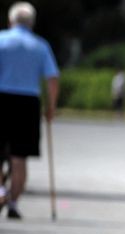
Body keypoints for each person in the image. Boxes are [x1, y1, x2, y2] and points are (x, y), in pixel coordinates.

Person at [0, 1, 59, 220]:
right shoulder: (40, 45)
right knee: (19, 158)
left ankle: (0, 191)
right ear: (32, 23)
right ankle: (13, 202)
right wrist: (50, 107)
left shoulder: (1, 41)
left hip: (2, 97)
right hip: (27, 102)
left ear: (10, 20)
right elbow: (52, 79)